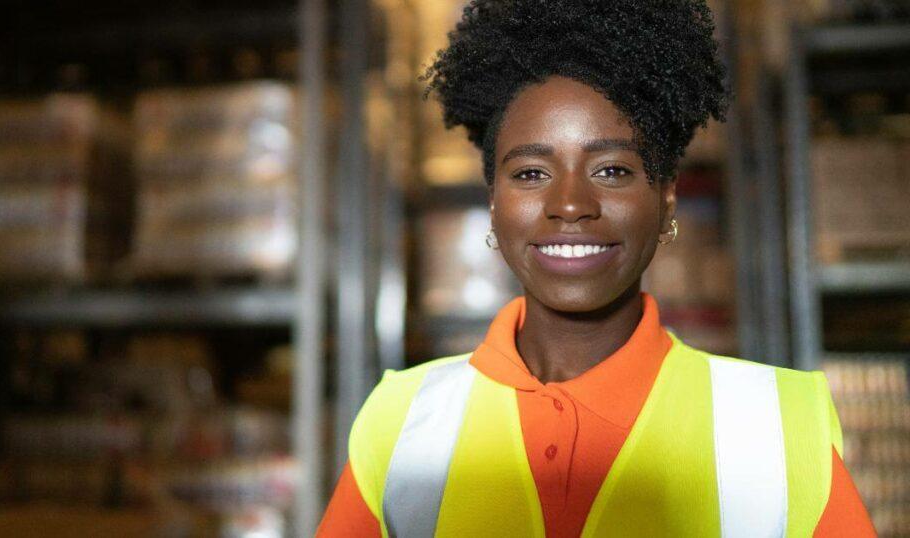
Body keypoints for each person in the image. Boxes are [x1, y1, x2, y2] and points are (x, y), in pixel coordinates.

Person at [318, 0, 875, 536]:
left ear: (667, 202)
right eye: (531, 173)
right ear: (493, 202)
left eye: (611, 171)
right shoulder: (401, 421)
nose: (570, 203)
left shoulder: (778, 428)